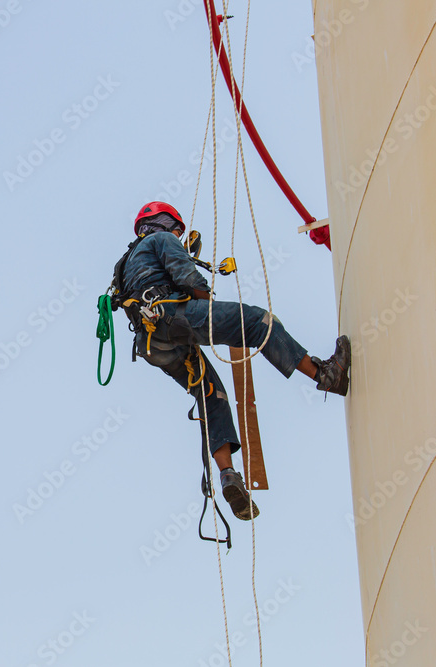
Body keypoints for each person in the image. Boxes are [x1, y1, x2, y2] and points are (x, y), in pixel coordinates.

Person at [110, 202, 350, 521]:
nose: (178, 235)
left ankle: (228, 475)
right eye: (176, 229)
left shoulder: (123, 265)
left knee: (211, 393)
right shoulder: (161, 240)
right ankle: (325, 375)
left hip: (151, 342)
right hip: (172, 317)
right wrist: (209, 305)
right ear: (163, 223)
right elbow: (188, 277)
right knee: (256, 321)